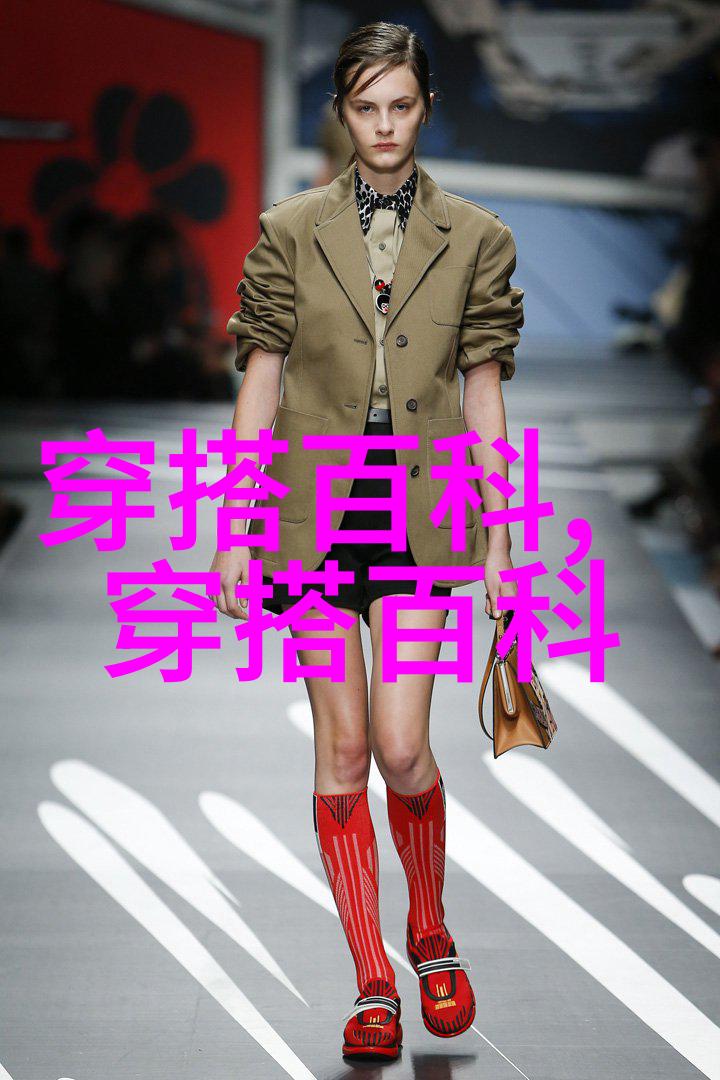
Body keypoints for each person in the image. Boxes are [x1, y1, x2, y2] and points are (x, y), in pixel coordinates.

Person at [211, 20, 524, 1061]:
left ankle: (428, 928)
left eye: (401, 105)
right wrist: (236, 525)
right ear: (341, 113)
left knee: (400, 745)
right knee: (342, 752)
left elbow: (483, 395)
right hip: (309, 506)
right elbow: (261, 379)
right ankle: (372, 980)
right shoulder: (288, 231)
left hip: (419, 509)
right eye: (365, 107)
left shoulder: (475, 238)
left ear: (426, 107)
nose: (384, 126)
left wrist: (501, 540)